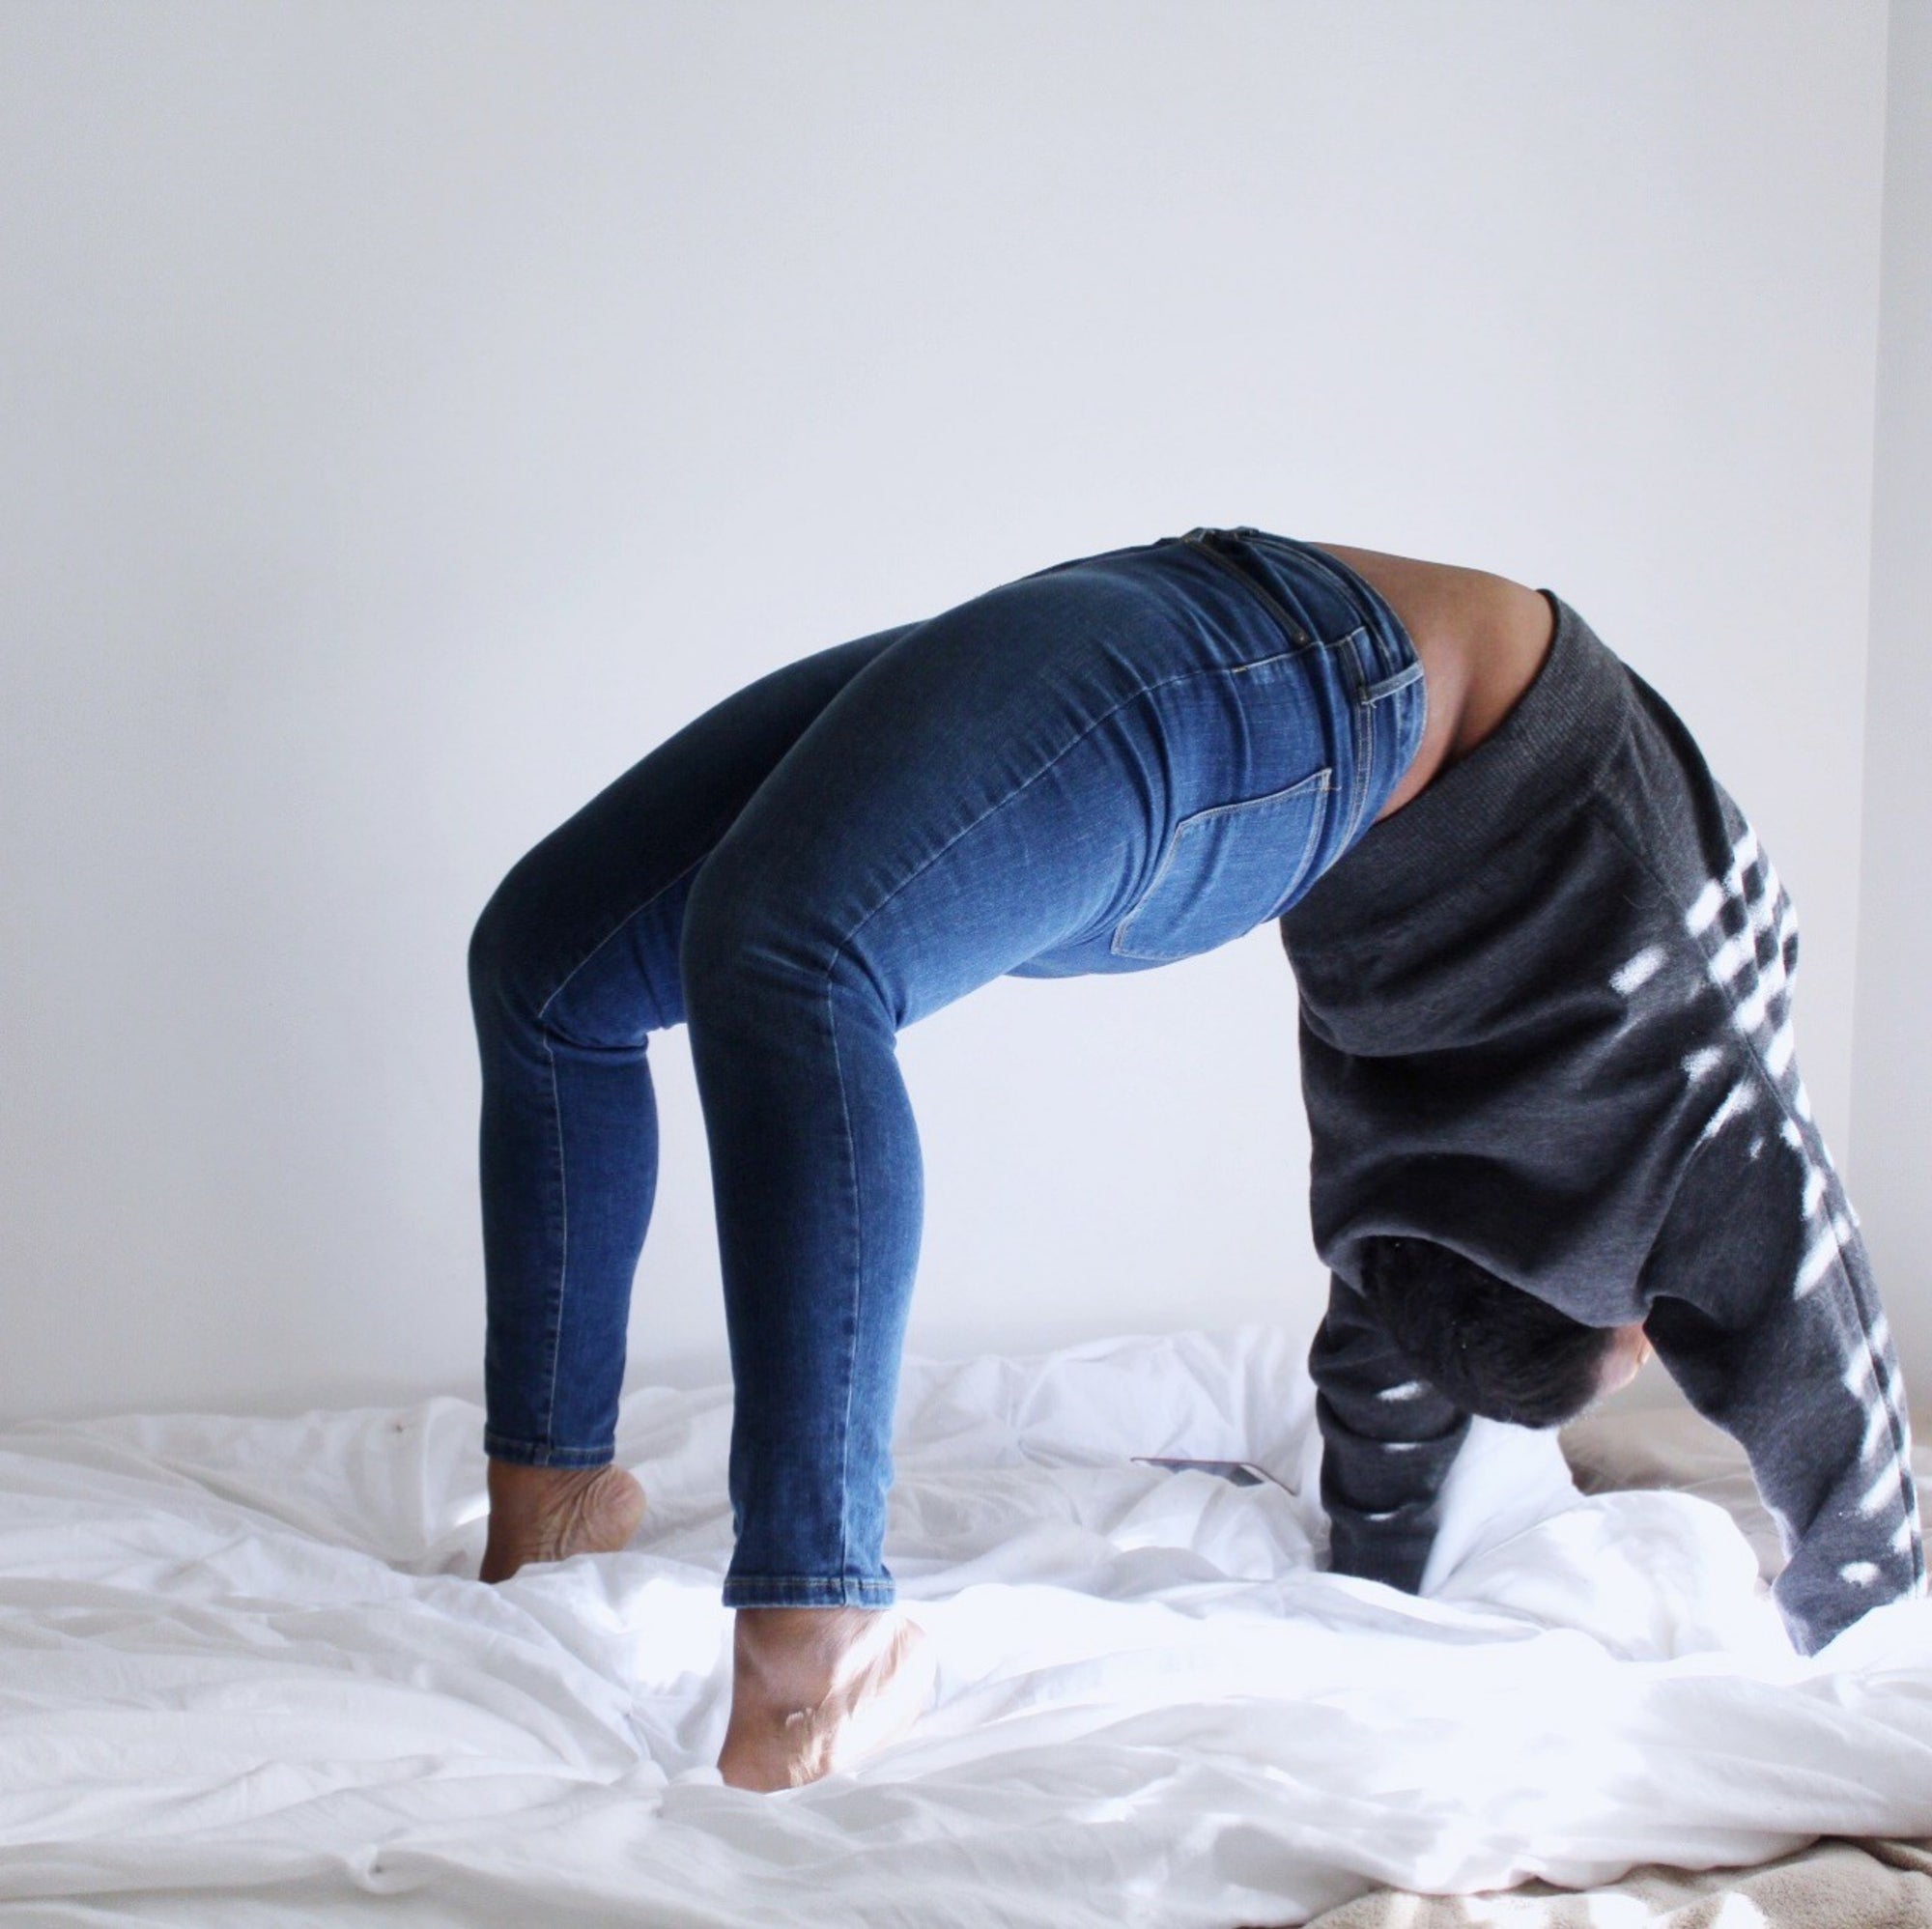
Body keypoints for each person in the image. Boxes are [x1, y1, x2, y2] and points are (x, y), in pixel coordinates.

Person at [466, 525, 1922, 1793]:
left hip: (1242, 667)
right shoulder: (1689, 1071)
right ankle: (673, 1554)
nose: (1668, 1337)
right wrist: (1881, 1639)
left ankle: (729, 1596)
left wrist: (1375, 1586)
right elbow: (1824, 1356)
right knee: (631, 960)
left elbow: (1385, 1344)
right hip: (1283, 671)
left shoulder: (1449, 1190)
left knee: (696, 958)